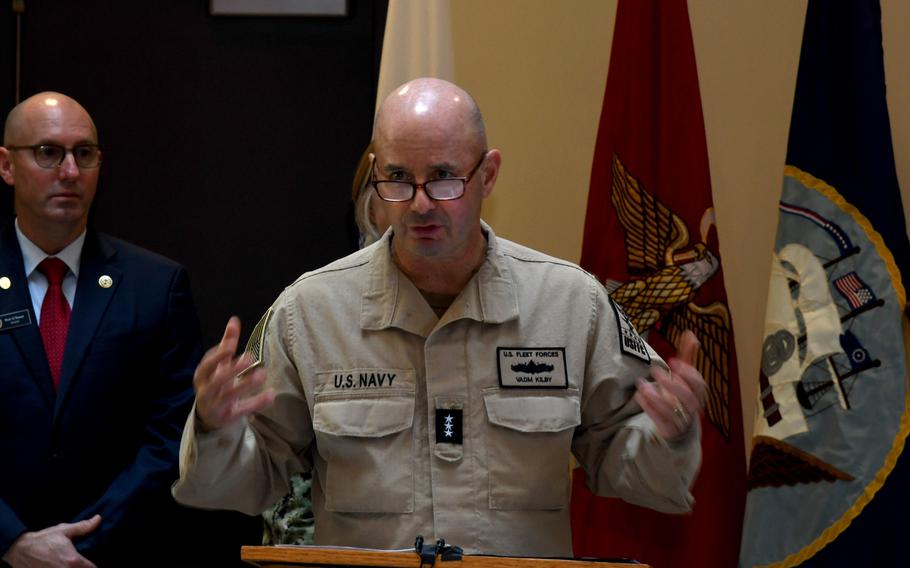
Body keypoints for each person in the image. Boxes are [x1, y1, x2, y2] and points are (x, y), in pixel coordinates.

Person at [174, 78, 705, 557]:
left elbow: (634, 471)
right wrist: (216, 430)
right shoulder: (312, 312)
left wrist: (673, 435)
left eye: (444, 177)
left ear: (488, 174)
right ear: (375, 174)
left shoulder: (568, 304)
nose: (420, 204)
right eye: (399, 178)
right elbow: (241, 481)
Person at [0, 92, 203, 567]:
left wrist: (79, 541)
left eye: (84, 153)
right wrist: (11, 540)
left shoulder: (156, 284)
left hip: (113, 553)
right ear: (7, 165)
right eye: (48, 152)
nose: (70, 171)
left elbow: (172, 435)